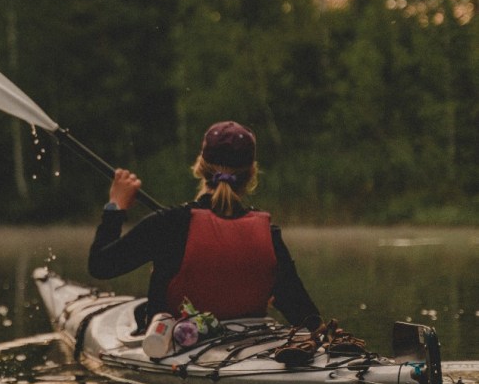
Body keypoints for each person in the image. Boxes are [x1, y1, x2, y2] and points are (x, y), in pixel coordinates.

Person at [88, 121, 358, 363]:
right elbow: (303, 313)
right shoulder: (268, 233)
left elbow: (100, 265)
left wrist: (116, 207)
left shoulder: (170, 224)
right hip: (253, 342)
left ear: (199, 167)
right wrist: (322, 334)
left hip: (175, 348)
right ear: (252, 173)